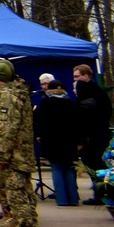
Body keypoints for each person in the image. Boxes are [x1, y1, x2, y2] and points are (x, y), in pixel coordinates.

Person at [0, 60, 43, 227]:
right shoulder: (1, 95)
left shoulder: (7, 97)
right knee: (16, 194)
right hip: (11, 155)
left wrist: (0, 155)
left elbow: (7, 129)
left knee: (18, 197)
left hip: (13, 157)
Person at [34, 72, 82, 208]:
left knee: (56, 168)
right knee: (68, 168)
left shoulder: (45, 103)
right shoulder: (70, 103)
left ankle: (61, 199)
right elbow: (77, 123)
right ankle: (73, 198)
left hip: (51, 140)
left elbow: (37, 120)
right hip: (69, 141)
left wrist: (40, 135)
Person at [72, 64, 111, 203]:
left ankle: (100, 194)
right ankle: (101, 193)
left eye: (77, 76)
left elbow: (83, 121)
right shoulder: (98, 93)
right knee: (97, 166)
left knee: (95, 167)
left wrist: (80, 140)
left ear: (86, 76)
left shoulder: (88, 96)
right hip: (99, 134)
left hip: (93, 137)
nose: (75, 80)